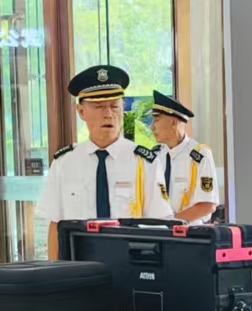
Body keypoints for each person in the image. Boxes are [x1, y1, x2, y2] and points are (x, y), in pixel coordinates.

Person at [34, 64, 173, 253]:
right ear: (81, 112)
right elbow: (55, 226)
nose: (108, 114)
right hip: (78, 263)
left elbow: (160, 225)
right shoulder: (64, 163)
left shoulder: (144, 162)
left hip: (129, 262)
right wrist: (55, 270)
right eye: (99, 107)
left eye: (114, 106)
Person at [146, 91, 223, 222]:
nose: (152, 126)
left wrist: (171, 223)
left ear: (173, 122)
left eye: (157, 119)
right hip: (157, 230)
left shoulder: (199, 156)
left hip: (188, 230)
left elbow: (207, 205)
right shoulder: (154, 156)